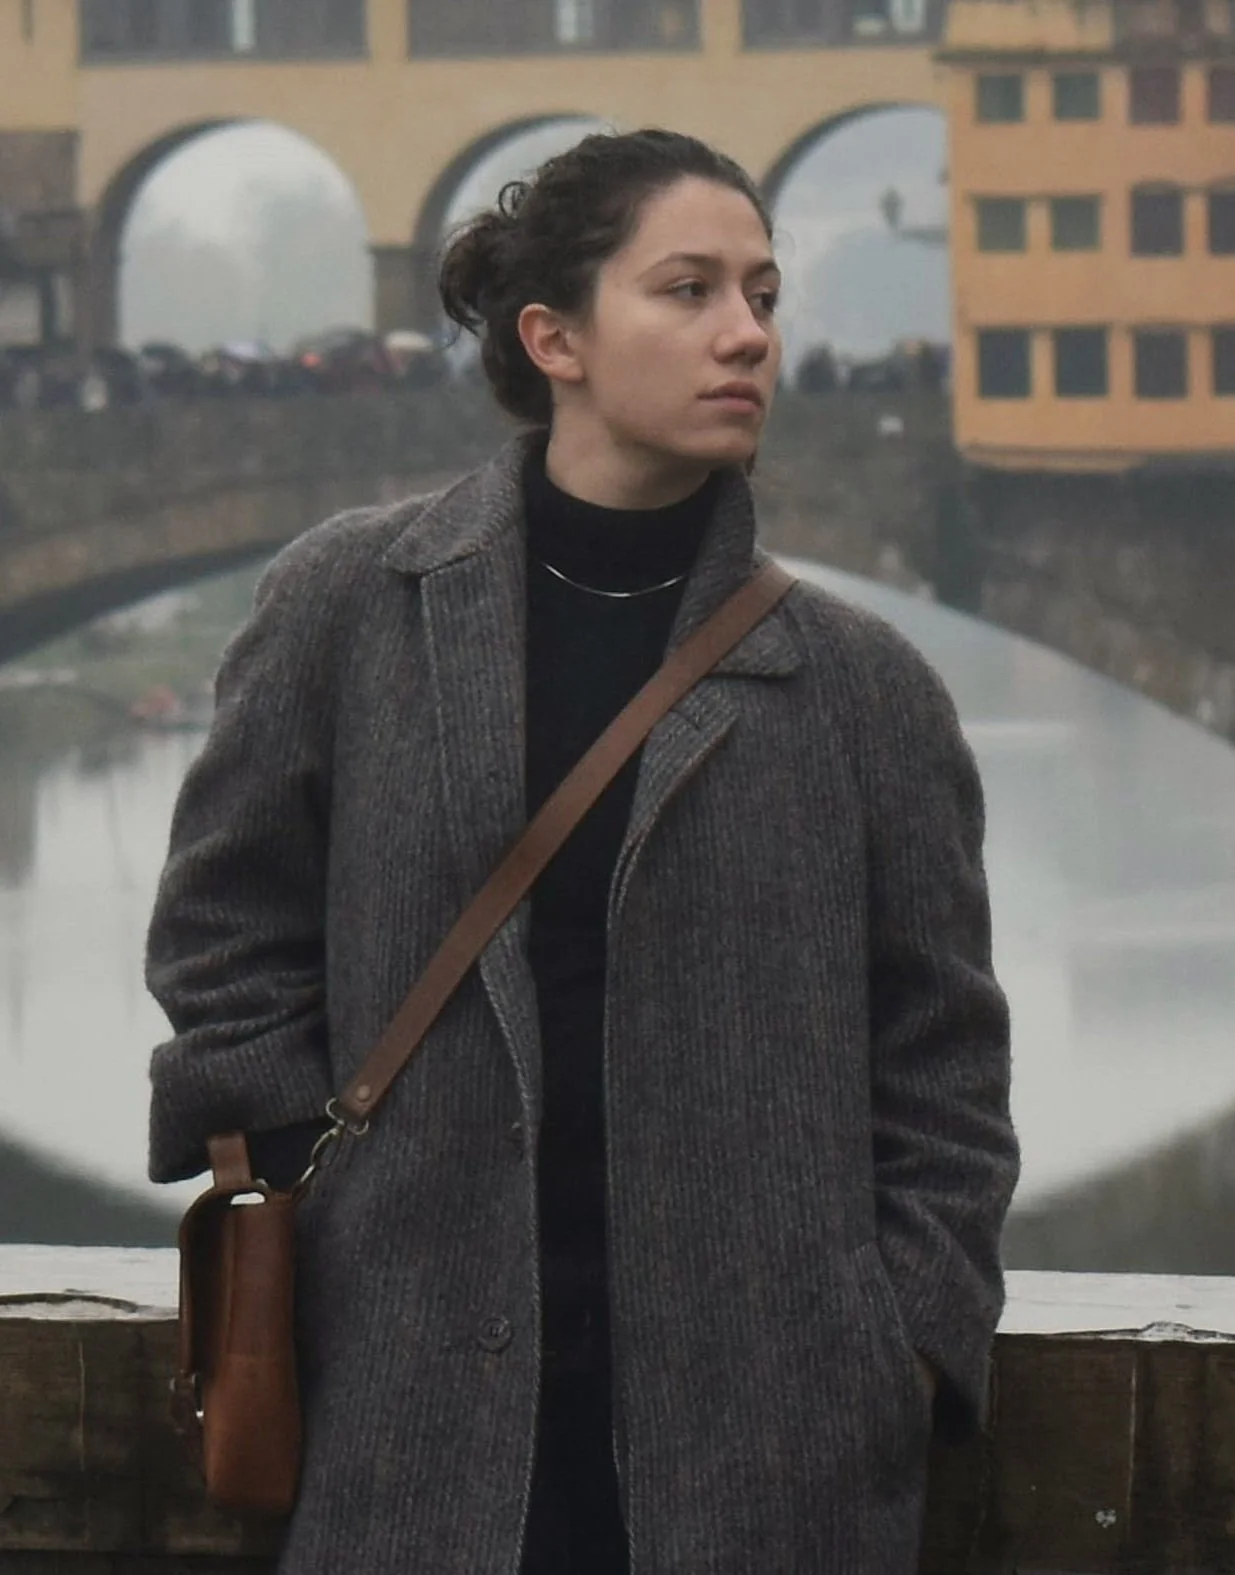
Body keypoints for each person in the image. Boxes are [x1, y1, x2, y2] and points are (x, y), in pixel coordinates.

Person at [145, 128, 1020, 1574]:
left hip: (767, 1450)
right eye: (686, 290)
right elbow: (219, 934)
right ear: (551, 335)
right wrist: (320, 1183)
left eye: (760, 292)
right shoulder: (352, 609)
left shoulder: (863, 688)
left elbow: (944, 1066)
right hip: (411, 1413)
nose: (744, 333)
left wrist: (898, 1350)